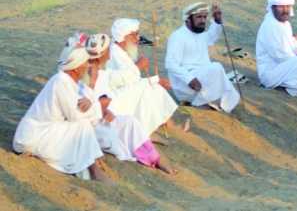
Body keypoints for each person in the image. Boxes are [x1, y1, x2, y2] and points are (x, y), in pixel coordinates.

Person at [13, 35, 107, 181]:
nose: (88, 66)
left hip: (47, 130)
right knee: (82, 125)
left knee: (83, 125)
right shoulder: (61, 81)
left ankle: (91, 164)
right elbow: (75, 116)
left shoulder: (70, 82)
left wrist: (90, 104)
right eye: (85, 63)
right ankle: (94, 169)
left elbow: (86, 112)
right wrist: (92, 106)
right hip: (32, 137)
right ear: (76, 68)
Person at [84, 33, 175, 174]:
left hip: (104, 115)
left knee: (130, 122)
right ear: (102, 53)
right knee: (112, 137)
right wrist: (102, 109)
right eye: (108, 50)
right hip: (89, 123)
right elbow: (86, 102)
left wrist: (105, 109)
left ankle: (154, 158)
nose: (110, 53)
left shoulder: (102, 73)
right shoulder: (87, 74)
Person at [105, 18, 177, 137]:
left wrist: (155, 80)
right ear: (123, 37)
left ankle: (162, 122)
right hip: (113, 102)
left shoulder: (122, 50)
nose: (138, 38)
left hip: (122, 95)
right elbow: (127, 81)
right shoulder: (115, 54)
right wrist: (139, 67)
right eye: (134, 35)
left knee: (152, 87)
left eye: (138, 34)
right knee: (149, 87)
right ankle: (146, 130)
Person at [165, 2, 241, 113]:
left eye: (205, 17)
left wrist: (217, 21)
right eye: (199, 17)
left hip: (200, 77)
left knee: (218, 72)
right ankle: (199, 102)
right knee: (216, 67)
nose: (203, 21)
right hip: (186, 84)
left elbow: (212, 36)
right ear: (188, 19)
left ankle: (215, 102)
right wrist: (189, 79)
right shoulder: (178, 36)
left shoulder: (200, 34)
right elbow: (170, 64)